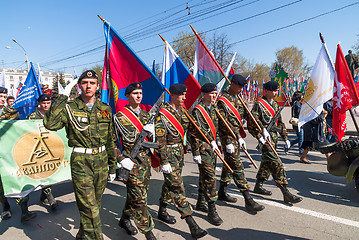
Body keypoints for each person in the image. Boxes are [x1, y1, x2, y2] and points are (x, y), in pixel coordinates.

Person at [44, 70, 116, 240]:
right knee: (90, 208)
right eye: (85, 83)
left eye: (92, 83)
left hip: (101, 161)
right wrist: (61, 98)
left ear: (97, 86)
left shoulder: (105, 109)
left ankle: (82, 235)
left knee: (95, 205)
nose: (88, 86)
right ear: (79, 86)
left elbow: (110, 139)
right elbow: (50, 124)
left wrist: (113, 166)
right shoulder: (69, 107)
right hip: (81, 162)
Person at [155, 83, 214, 239]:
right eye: (182, 95)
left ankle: (161, 210)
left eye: (185, 95)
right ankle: (191, 223)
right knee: (177, 188)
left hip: (179, 154)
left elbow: (193, 130)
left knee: (170, 185)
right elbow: (160, 140)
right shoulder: (163, 114)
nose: (185, 98)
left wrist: (209, 140)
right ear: (173, 95)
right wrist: (164, 161)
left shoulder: (182, 112)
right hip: (168, 154)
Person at [113, 83, 156, 240]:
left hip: (145, 162)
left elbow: (155, 139)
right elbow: (110, 142)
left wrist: (152, 135)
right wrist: (121, 159)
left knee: (137, 195)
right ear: (128, 96)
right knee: (139, 199)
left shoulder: (147, 116)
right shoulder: (119, 117)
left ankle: (125, 219)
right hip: (130, 164)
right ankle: (149, 232)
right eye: (135, 93)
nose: (139, 96)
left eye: (140, 93)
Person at [216, 74, 264, 213]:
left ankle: (222, 191)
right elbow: (224, 123)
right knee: (237, 166)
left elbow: (247, 117)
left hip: (236, 137)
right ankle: (248, 199)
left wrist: (260, 131)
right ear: (232, 84)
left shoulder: (239, 98)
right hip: (228, 138)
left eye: (243, 87)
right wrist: (235, 137)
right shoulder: (222, 101)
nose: (241, 89)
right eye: (239, 86)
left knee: (229, 164)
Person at [249, 81, 302, 204]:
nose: (275, 93)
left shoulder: (276, 105)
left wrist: (286, 138)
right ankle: (286, 192)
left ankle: (258, 185)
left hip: (274, 138)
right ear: (266, 91)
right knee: (276, 164)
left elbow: (280, 123)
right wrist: (260, 134)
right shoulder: (259, 104)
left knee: (266, 163)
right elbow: (253, 122)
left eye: (277, 91)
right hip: (265, 139)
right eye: (273, 91)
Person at [0, 87, 37, 222]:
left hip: (9, 151)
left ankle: (24, 210)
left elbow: (17, 129)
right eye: (0, 96)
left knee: (18, 179)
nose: (3, 99)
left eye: (4, 97)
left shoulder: (12, 112)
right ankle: (5, 207)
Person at [190, 83, 223, 226]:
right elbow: (194, 133)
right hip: (203, 149)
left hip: (213, 149)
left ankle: (200, 201)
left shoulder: (214, 109)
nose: (214, 95)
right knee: (210, 178)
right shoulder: (198, 111)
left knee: (205, 176)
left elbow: (216, 129)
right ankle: (212, 209)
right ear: (204, 94)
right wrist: (196, 152)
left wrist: (218, 143)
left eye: (215, 93)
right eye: (212, 93)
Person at [28, 94, 58, 210]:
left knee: (50, 171)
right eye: (43, 103)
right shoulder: (32, 117)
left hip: (51, 148)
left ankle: (43, 195)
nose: (46, 105)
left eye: (48, 103)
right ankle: (50, 198)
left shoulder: (53, 116)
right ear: (39, 103)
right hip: (38, 148)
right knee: (43, 171)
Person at [285, 91, 304, 156]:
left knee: (300, 138)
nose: (303, 96)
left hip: (296, 123)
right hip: (298, 122)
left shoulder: (294, 103)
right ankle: (301, 152)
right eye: (302, 95)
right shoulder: (298, 103)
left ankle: (289, 144)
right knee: (301, 138)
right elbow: (299, 112)